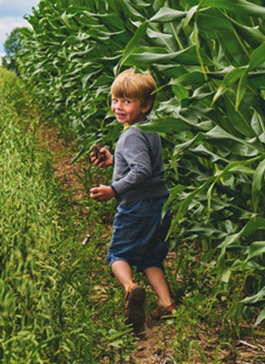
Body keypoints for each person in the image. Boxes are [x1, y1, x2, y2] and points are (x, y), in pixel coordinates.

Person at [89, 68, 176, 336]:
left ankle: (130, 288)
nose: (118, 106)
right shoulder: (149, 128)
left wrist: (113, 189)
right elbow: (142, 162)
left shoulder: (131, 135)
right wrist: (114, 160)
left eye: (127, 101)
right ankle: (166, 304)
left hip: (138, 207)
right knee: (150, 257)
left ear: (146, 104)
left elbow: (141, 171)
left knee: (118, 255)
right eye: (116, 99)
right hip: (160, 204)